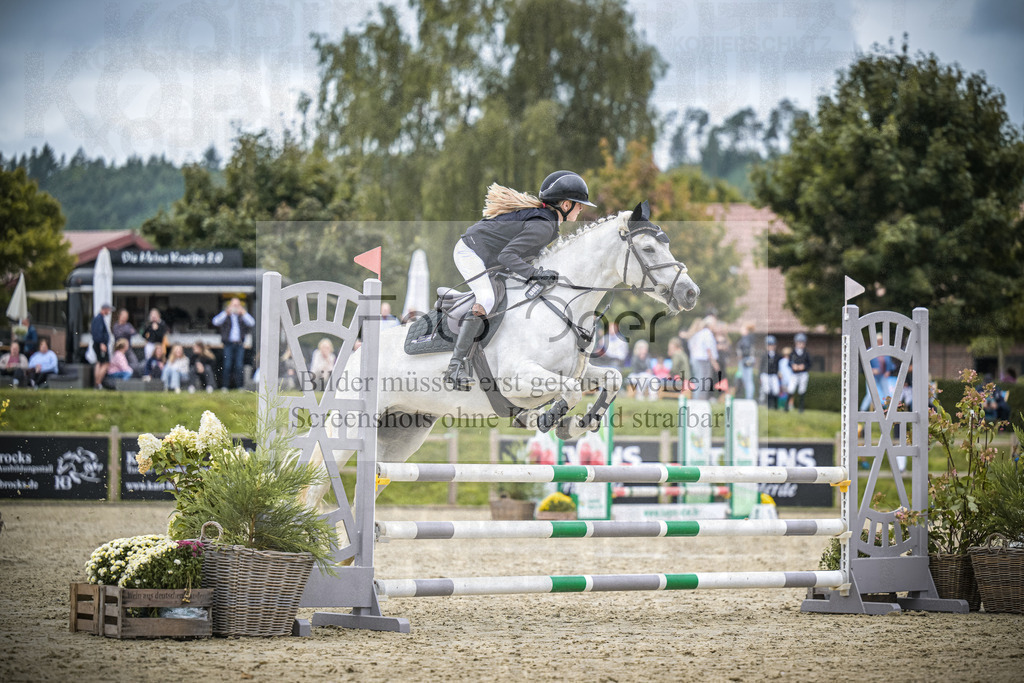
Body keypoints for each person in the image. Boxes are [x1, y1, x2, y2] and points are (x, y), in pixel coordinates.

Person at [443, 170, 596, 391]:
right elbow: (508, 256)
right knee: (486, 298)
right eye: (579, 203)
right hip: (470, 252)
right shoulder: (543, 224)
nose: (581, 208)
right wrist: (536, 275)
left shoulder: (547, 222)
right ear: (565, 205)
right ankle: (455, 366)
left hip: (490, 255)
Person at [212, 297, 254, 390]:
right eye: (233, 305)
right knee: (227, 365)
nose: (235, 307)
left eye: (237, 305)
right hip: (228, 344)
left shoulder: (242, 316)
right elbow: (215, 321)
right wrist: (225, 313)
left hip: (239, 344)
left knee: (239, 365)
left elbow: (251, 322)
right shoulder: (226, 315)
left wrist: (244, 313)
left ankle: (240, 386)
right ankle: (225, 386)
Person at [687, 315, 720, 400]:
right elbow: (708, 349)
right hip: (703, 360)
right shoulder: (707, 333)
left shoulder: (701, 333)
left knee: (699, 380)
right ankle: (699, 400)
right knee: (703, 381)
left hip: (698, 359)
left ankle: (698, 399)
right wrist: (714, 362)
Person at [788, 333, 812, 412]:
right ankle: (786, 406)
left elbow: (810, 364)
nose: (800, 344)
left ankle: (801, 407)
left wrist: (804, 366)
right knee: (791, 389)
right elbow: (789, 362)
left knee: (802, 390)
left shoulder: (806, 353)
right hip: (794, 374)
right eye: (799, 343)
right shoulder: (793, 353)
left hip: (803, 374)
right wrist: (793, 365)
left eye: (802, 343)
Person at [91, 302, 112, 390]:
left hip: (98, 344)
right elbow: (98, 333)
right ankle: (98, 383)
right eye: (109, 310)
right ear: (105, 309)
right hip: (101, 345)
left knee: (99, 362)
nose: (109, 312)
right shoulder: (99, 319)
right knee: (105, 363)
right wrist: (102, 343)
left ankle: (97, 384)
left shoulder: (98, 318)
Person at [759, 335, 781, 409]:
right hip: (766, 374)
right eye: (769, 345)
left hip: (774, 374)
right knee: (767, 390)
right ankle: (768, 405)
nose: (770, 347)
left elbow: (779, 366)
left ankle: (775, 406)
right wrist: (760, 376)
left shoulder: (777, 356)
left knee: (775, 390)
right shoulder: (764, 355)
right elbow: (761, 366)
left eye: (772, 345)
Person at [736, 323, 757, 400]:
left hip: (746, 360)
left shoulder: (747, 339)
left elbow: (745, 350)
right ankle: (748, 396)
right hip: (745, 360)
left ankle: (749, 397)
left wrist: (741, 356)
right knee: (746, 380)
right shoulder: (745, 338)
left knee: (748, 380)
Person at [778, 346, 794, 411]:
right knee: (784, 393)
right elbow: (780, 370)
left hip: (790, 379)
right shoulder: (781, 362)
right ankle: (783, 405)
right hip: (784, 380)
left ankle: (790, 405)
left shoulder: (791, 361)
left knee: (790, 393)